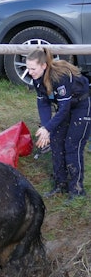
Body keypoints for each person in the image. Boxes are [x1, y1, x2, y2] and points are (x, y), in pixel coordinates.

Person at [26, 48, 90, 200]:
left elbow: (64, 108)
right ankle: (60, 185)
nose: (29, 72)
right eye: (27, 68)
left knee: (72, 146)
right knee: (56, 142)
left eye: (32, 68)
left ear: (44, 66)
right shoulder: (37, 78)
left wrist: (48, 128)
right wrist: (45, 127)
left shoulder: (59, 76)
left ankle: (77, 191)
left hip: (82, 106)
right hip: (65, 107)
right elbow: (43, 104)